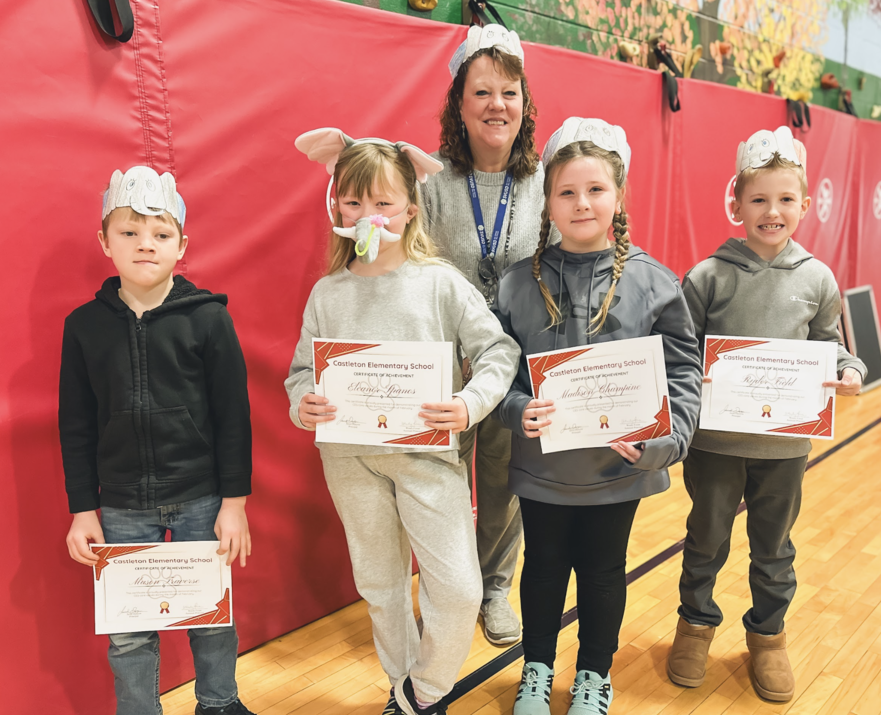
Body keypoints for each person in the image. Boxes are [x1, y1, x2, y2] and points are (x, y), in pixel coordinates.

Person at [286, 128, 520, 715]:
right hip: (349, 462)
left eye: (384, 202)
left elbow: (499, 353)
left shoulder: (440, 284)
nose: (370, 215)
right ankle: (402, 686)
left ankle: (424, 689)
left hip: (427, 459)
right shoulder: (327, 293)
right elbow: (299, 375)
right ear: (336, 206)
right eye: (355, 201)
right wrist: (304, 401)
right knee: (381, 585)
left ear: (410, 210)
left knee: (460, 588)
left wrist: (468, 403)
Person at [492, 118, 703, 715]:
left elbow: (684, 376)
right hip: (544, 470)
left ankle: (593, 675)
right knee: (543, 567)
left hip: (620, 470)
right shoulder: (515, 286)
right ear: (548, 201)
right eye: (567, 192)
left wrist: (665, 441)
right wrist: (515, 408)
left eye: (596, 190)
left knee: (605, 571)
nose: (582, 204)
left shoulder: (656, 284)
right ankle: (536, 668)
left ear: (618, 194)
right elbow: (497, 374)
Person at [667, 126, 866, 702]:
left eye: (784, 200)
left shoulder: (818, 279)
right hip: (716, 445)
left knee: (774, 547)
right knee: (705, 539)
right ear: (737, 202)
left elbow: (833, 346)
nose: (771, 211)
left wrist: (850, 373)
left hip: (784, 449)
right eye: (758, 199)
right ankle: (695, 626)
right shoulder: (707, 276)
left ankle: (768, 636)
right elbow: (680, 350)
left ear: (805, 205)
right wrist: (691, 374)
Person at [60, 166, 254, 715]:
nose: (146, 244)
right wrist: (83, 509)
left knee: (210, 616)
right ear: (104, 241)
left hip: (199, 496)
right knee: (129, 631)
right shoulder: (83, 327)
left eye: (161, 234)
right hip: (121, 503)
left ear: (181, 245)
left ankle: (219, 703)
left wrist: (233, 503)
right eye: (129, 232)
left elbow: (233, 417)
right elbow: (75, 425)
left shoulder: (210, 320)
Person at [421, 23, 551, 646]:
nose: (497, 105)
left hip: (517, 367)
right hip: (446, 364)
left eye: (510, 92)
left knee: (503, 481)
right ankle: (448, 587)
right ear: (459, 103)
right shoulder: (431, 184)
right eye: (483, 92)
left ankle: (495, 588)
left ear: (524, 105)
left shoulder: (546, 184)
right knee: (440, 478)